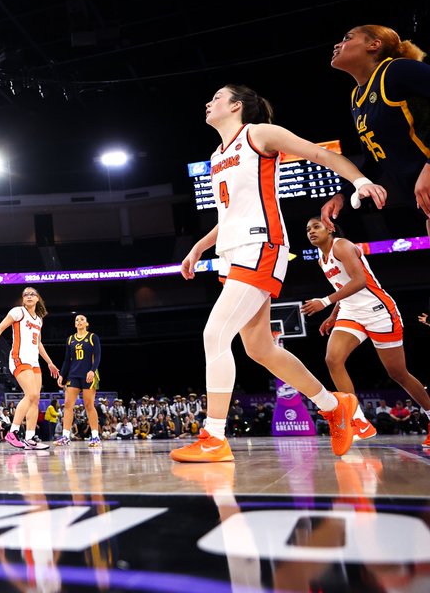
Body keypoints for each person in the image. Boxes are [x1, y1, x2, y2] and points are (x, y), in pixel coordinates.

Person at [174, 84, 386, 462]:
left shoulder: (258, 134)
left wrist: (360, 180)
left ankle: (214, 436)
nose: (209, 102)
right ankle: (332, 405)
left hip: (262, 246)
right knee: (260, 349)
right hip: (232, 252)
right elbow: (228, 216)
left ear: (237, 106)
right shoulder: (216, 154)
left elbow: (318, 152)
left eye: (217, 97)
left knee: (214, 334)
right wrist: (198, 247)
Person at [300, 217, 430, 448]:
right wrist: (333, 315)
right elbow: (343, 287)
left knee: (398, 373)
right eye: (308, 229)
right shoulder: (322, 259)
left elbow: (359, 281)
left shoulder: (342, 246)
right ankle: (358, 420)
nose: (311, 231)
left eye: (316, 226)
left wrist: (325, 302)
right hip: (352, 312)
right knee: (333, 359)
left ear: (330, 229)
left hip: (379, 312)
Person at [320, 26, 430, 235]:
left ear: (374, 44)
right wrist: (342, 194)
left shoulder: (398, 70)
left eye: (347, 38)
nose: (337, 44)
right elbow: (374, 159)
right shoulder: (356, 99)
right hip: (421, 201)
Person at [0, 287, 60, 450]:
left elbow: (38, 343)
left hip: (34, 361)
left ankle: (30, 438)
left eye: (32, 294)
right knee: (31, 394)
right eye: (26, 294)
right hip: (19, 357)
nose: (29, 296)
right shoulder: (18, 312)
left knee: (35, 398)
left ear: (38, 298)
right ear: (23, 299)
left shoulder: (39, 319)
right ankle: (13, 431)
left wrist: (50, 362)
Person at [55, 315, 103, 447]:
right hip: (73, 375)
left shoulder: (93, 337)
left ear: (87, 323)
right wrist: (62, 375)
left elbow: (98, 355)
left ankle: (95, 436)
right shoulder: (70, 340)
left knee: (89, 405)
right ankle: (65, 436)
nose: (79, 321)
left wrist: (92, 370)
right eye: (77, 320)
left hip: (88, 375)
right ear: (75, 324)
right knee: (68, 404)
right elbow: (66, 360)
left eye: (82, 319)